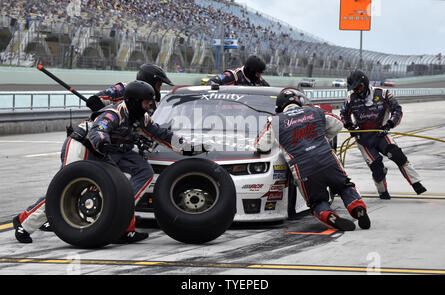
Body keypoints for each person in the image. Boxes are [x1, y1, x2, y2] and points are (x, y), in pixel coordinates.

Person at [13, 81, 202, 244]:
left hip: (105, 151)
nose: (148, 106)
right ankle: (24, 223)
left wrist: (189, 147)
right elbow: (98, 131)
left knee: (141, 173)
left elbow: (162, 135)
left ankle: (125, 228)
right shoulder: (114, 113)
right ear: (135, 102)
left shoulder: (141, 117)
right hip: (82, 145)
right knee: (64, 190)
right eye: (146, 102)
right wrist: (103, 142)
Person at [254, 88, 370, 231]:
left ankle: (329, 215)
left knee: (316, 202)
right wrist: (323, 136)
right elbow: (338, 124)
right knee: (344, 186)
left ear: (279, 107)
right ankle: (357, 207)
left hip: (303, 168)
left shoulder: (275, 120)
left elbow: (261, 146)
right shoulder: (315, 110)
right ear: (299, 102)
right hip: (327, 159)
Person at [340, 69, 427, 200]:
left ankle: (416, 184)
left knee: (398, 155)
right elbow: (343, 114)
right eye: (354, 89)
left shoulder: (383, 94)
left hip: (381, 134)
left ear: (365, 83)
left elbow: (397, 110)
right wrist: (349, 126)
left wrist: (390, 124)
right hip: (363, 140)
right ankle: (382, 192)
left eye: (359, 87)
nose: (357, 91)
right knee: (377, 168)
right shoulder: (350, 99)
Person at [86, 63, 174, 111]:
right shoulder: (125, 89)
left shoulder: (153, 102)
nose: (159, 89)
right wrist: (111, 114)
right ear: (151, 81)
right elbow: (94, 100)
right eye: (158, 85)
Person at [206, 55, 270, 86]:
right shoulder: (232, 75)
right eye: (257, 73)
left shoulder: (259, 81)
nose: (259, 76)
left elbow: (269, 91)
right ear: (250, 71)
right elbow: (210, 82)